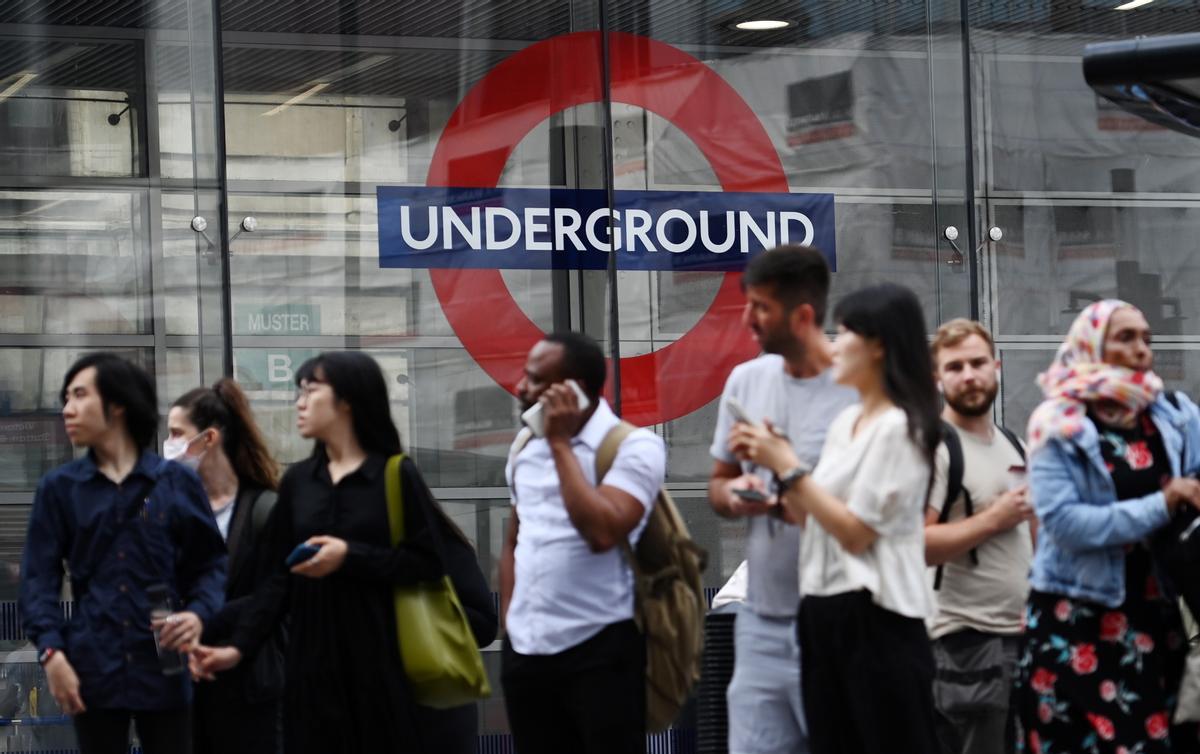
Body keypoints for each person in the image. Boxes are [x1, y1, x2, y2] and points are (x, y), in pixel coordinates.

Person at [191, 351, 489, 754]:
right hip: (310, 673)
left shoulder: (395, 475)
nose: (299, 402)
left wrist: (350, 557)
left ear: (347, 401)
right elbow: (278, 581)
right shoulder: (298, 482)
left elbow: (428, 563)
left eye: (311, 391)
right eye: (298, 391)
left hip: (381, 670)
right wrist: (237, 648)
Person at [730, 283, 941, 754]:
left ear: (879, 345)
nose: (834, 343)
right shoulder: (847, 423)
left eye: (845, 332)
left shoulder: (902, 428)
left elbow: (855, 533)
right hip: (822, 609)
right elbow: (817, 519)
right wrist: (773, 473)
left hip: (879, 617)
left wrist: (788, 465)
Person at [1013, 300, 1200, 754]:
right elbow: (1067, 525)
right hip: (1073, 620)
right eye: (1125, 338)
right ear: (1090, 344)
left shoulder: (1174, 415)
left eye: (1146, 339)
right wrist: (1162, 502)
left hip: (1155, 619)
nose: (1141, 350)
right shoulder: (1059, 423)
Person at [19, 353, 227, 754]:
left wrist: (198, 614)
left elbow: (211, 564)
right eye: (66, 397)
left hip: (166, 661)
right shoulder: (59, 489)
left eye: (79, 395)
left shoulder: (176, 483)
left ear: (117, 406)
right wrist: (51, 653)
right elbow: (37, 582)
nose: (67, 409)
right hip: (92, 664)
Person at [707, 244, 856, 754]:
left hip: (843, 628)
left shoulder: (861, 390)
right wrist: (735, 495)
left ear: (804, 315)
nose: (748, 318)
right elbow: (718, 483)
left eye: (761, 307)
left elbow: (862, 520)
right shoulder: (746, 382)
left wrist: (781, 466)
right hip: (761, 624)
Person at [499, 332, 666, 754]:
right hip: (528, 650)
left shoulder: (632, 447)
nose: (521, 387)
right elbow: (515, 540)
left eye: (535, 379)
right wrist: (511, 626)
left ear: (571, 390)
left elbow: (602, 532)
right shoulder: (523, 445)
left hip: (600, 647)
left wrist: (560, 443)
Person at [924, 319, 1035, 754]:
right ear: (937, 378)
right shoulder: (934, 448)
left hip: (1021, 638)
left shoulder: (1014, 444)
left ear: (997, 366)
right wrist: (992, 519)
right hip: (965, 645)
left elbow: (1031, 534)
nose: (968, 375)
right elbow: (916, 545)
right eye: (954, 367)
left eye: (977, 363)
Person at [167, 379, 285, 754]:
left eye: (176, 434)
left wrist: (204, 619)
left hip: (255, 697)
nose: (169, 445)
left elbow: (277, 596)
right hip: (189, 698)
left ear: (209, 438)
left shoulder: (266, 510)